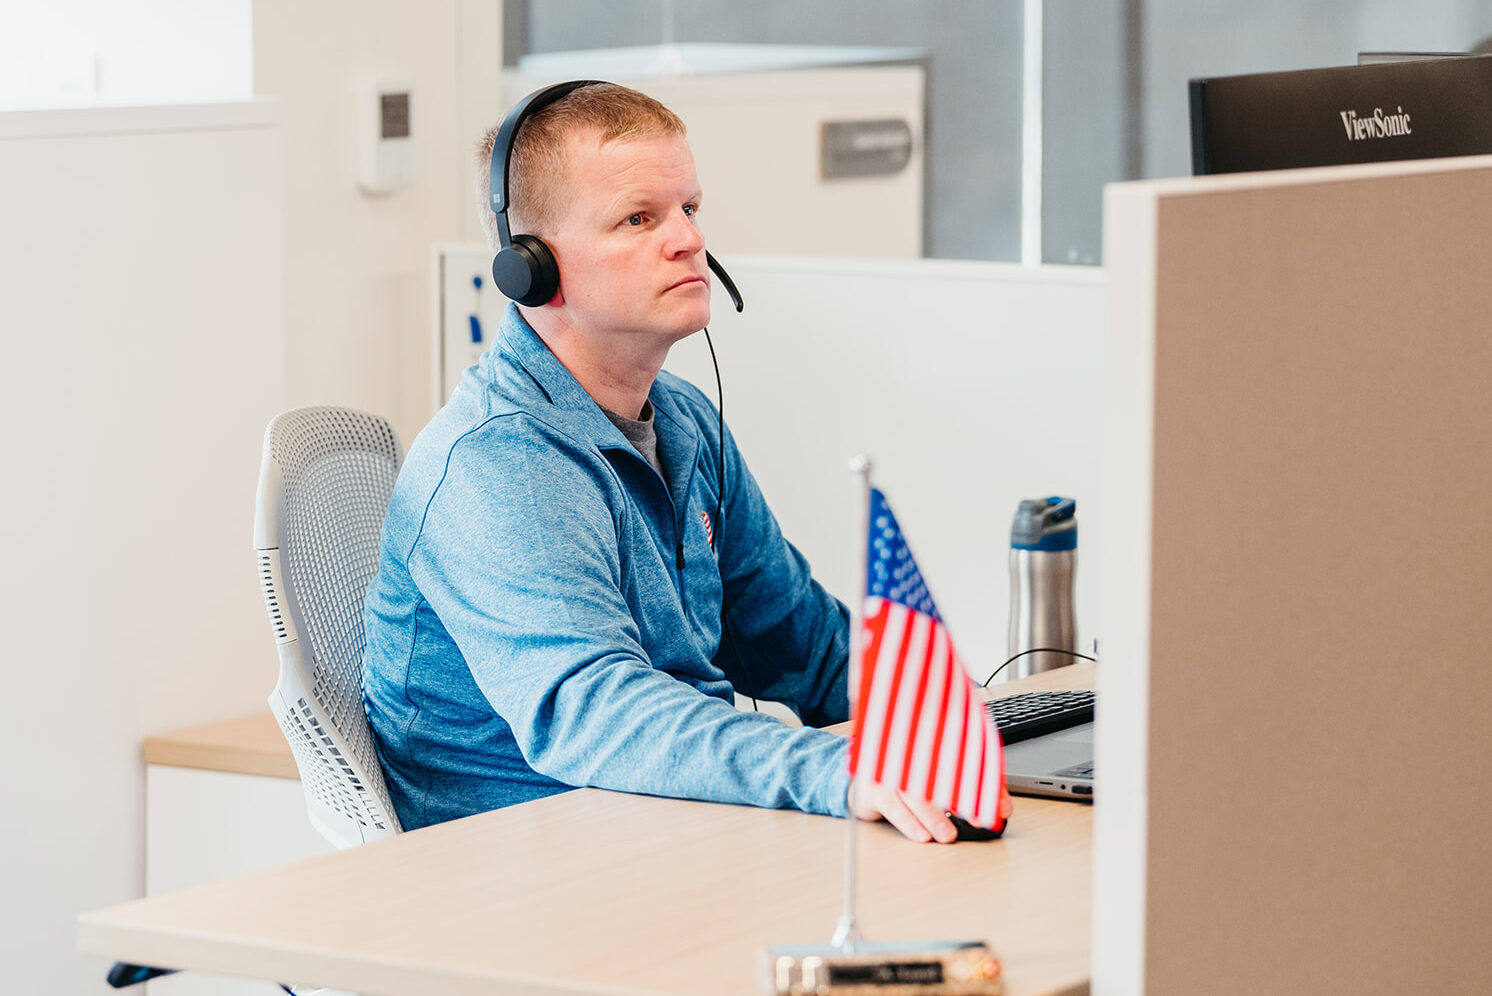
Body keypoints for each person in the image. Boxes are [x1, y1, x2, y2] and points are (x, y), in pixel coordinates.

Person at [361, 81, 1004, 843]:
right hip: (528, 870)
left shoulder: (687, 422)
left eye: (689, 210)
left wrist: (955, 721)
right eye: (639, 218)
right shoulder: (497, 463)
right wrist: (836, 773)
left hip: (663, 832)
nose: (687, 240)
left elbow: (802, 645)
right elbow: (594, 713)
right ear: (531, 268)